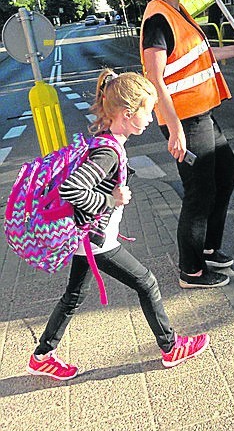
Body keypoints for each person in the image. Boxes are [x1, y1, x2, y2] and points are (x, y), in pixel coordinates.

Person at [27, 68, 210, 380]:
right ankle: (170, 347)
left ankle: (42, 355)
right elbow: (72, 188)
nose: (152, 119)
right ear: (127, 113)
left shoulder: (107, 141)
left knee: (73, 297)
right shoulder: (107, 151)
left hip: (85, 238)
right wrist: (111, 201)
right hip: (96, 242)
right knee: (147, 281)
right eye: (148, 111)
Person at [140, 0, 234, 290]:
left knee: (226, 173)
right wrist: (175, 129)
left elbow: (199, 55)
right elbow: (155, 78)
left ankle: (206, 246)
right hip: (185, 120)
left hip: (202, 113)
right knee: (199, 191)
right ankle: (191, 270)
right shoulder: (158, 17)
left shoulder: (179, 10)